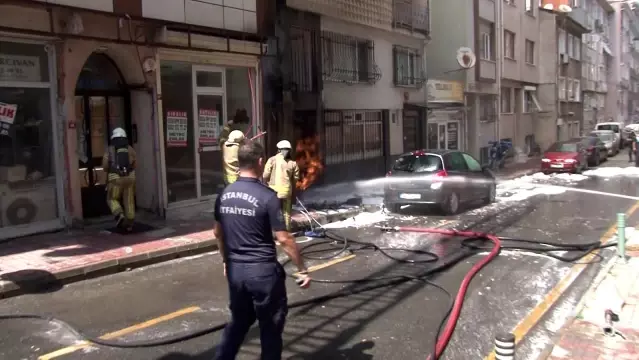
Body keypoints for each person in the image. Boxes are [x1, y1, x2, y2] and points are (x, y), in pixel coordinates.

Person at [213, 140, 311, 360]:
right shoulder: (267, 197)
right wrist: (302, 268)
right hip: (263, 273)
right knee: (270, 326)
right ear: (259, 162)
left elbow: (217, 233)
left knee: (239, 322)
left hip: (236, 272)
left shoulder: (224, 194)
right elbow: (284, 239)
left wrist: (226, 262)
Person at [102, 127, 136, 230]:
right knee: (129, 200)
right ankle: (129, 222)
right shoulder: (130, 148)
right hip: (130, 178)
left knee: (111, 198)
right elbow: (135, 164)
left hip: (116, 179)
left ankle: (119, 214)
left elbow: (105, 166)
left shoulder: (110, 149)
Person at [263, 140, 300, 232]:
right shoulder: (293, 163)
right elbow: (296, 178)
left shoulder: (271, 160)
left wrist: (268, 182)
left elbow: (265, 175)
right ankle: (287, 231)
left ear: (278, 150)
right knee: (286, 213)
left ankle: (274, 231)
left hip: (273, 191)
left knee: (273, 212)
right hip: (287, 191)